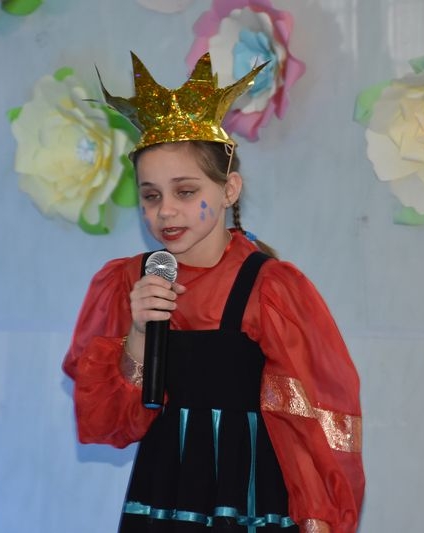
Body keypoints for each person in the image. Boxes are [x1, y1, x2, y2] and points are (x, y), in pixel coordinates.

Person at [62, 52, 364, 533]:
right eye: (151, 195)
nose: (165, 211)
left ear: (229, 190)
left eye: (184, 191)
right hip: (163, 495)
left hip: (247, 498)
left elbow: (312, 422)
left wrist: (319, 520)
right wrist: (138, 332)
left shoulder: (270, 288)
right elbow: (106, 424)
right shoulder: (126, 283)